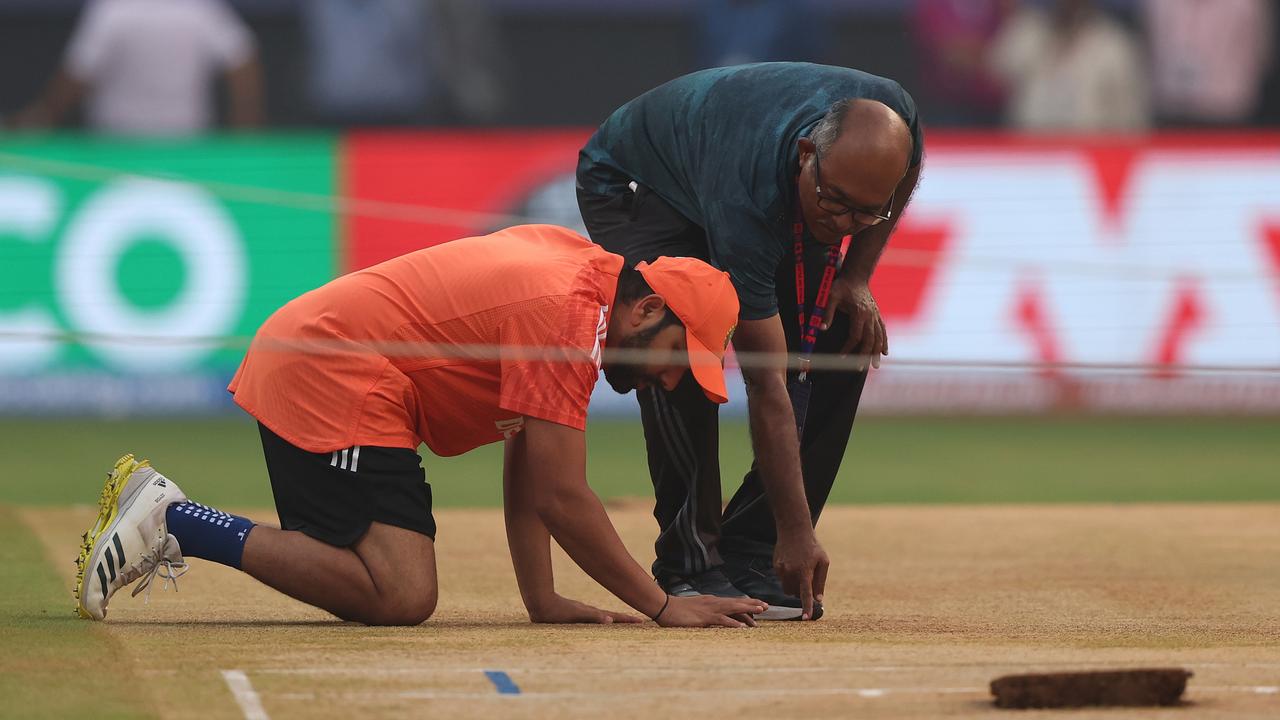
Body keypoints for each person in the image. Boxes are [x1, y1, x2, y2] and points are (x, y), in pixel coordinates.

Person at [73, 224, 767, 628]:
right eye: (678, 358)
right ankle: (175, 521)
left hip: (329, 368)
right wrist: (661, 607)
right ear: (646, 312)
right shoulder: (570, 315)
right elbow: (562, 495)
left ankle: (175, 520)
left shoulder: (585, 285)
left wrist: (541, 596)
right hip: (332, 373)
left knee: (378, 582)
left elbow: (529, 457)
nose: (672, 381)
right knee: (400, 593)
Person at [577, 62, 925, 621]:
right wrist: (799, 529)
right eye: (834, 202)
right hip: (637, 183)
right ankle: (690, 563)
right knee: (678, 334)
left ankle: (751, 550)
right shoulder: (750, 197)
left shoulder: (895, 118)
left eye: (865, 211)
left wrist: (855, 275)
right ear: (808, 153)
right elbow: (766, 381)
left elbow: (901, 179)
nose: (841, 223)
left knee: (841, 329)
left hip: (745, 169)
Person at [11, 0, 263, 135]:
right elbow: (243, 62)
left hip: (180, 147)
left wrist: (44, 116)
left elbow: (77, 77)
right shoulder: (114, 9)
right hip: (122, 144)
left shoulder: (113, 8)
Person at [989, 0, 1149, 132]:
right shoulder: (1029, 31)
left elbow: (1131, 116)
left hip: (1091, 152)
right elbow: (996, 71)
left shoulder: (1113, 44)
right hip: (1031, 150)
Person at [1142, 0, 1274, 127]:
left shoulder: (1245, 5)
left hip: (1227, 110)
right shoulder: (1158, 4)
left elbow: (1261, 53)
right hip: (1171, 106)